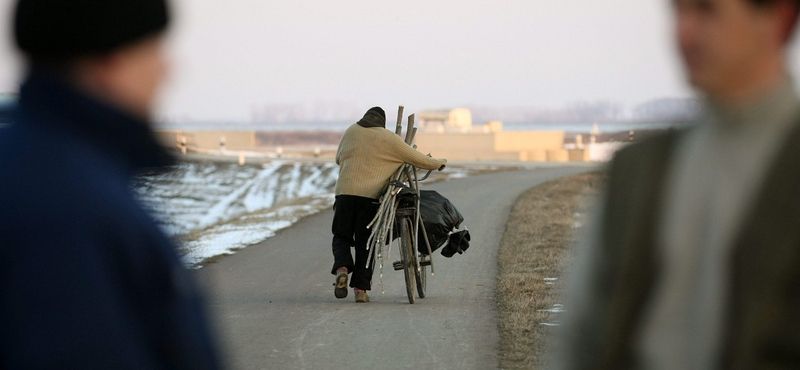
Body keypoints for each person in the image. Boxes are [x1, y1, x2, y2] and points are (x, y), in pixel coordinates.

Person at [557, 0, 800, 369]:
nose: (683, 32)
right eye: (678, 11)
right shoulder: (638, 171)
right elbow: (583, 335)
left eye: (706, 10)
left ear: (779, 19)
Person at [0, 0, 223, 368]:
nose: (166, 69)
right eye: (152, 49)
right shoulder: (71, 209)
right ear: (109, 62)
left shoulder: (42, 168)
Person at [332, 107, 447, 303]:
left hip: (344, 194)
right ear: (382, 122)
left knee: (341, 236)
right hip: (369, 199)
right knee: (365, 244)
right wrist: (438, 162)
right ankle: (360, 290)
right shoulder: (388, 138)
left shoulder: (351, 131)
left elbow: (338, 159)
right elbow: (417, 158)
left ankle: (342, 268)